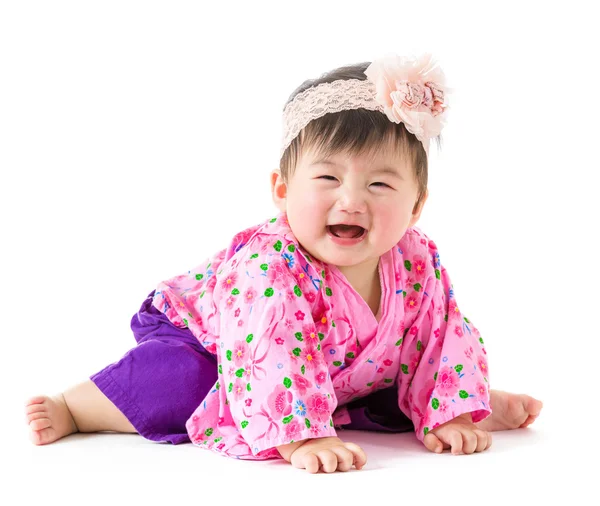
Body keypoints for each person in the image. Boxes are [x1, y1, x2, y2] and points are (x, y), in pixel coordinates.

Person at [25, 53, 543, 473]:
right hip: (219, 343)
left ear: (416, 206)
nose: (351, 201)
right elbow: (269, 344)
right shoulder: (272, 262)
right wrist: (303, 436)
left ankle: (454, 402)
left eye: (380, 184)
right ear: (281, 190)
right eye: (327, 179)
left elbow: (440, 333)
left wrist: (445, 412)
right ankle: (80, 405)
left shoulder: (415, 259)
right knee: (180, 385)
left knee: (390, 387)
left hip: (335, 372)